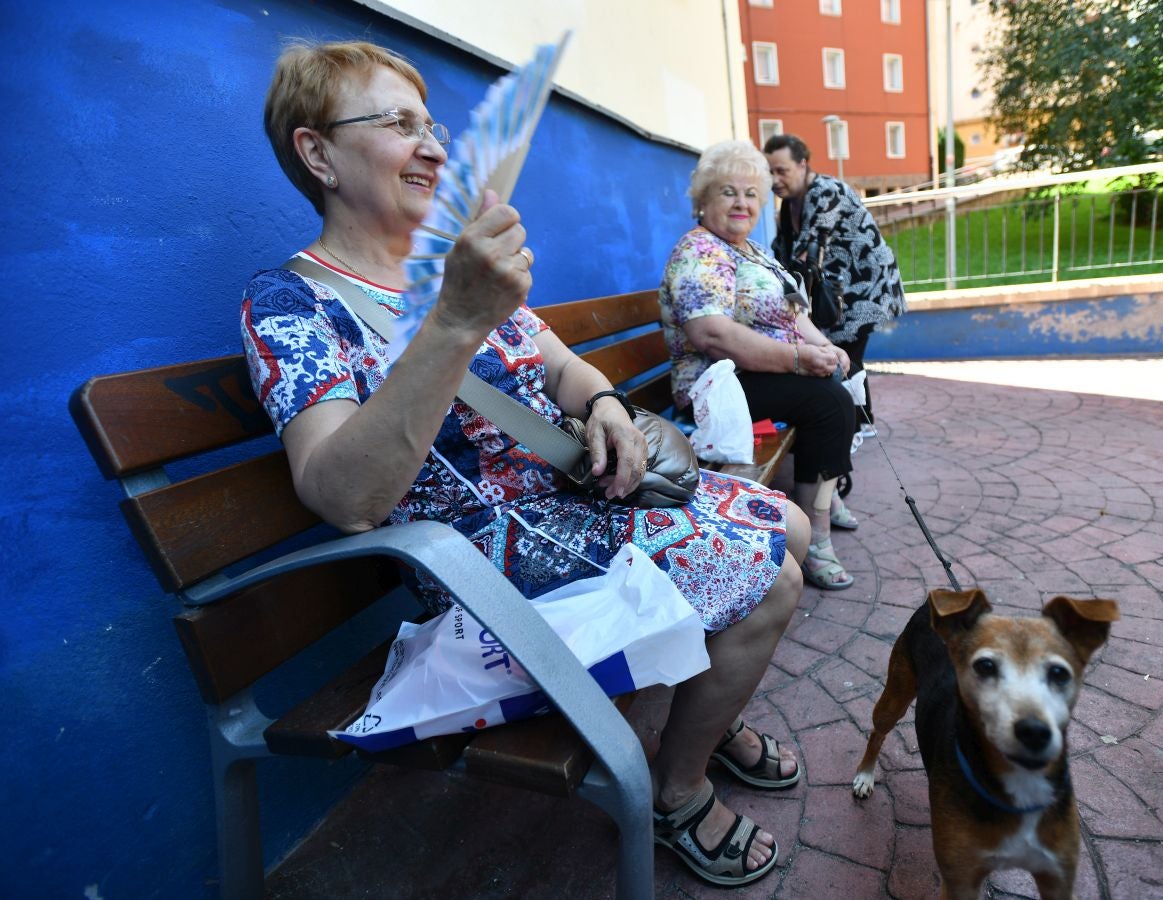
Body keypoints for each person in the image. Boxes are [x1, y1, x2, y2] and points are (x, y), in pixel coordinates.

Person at [242, 41, 805, 887]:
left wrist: (606, 405)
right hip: (481, 559)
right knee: (779, 579)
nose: (434, 146)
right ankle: (676, 793)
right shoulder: (291, 302)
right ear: (317, 152)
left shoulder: (450, 269)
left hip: (575, 498)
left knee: (791, 521)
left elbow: (561, 367)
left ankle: (707, 714)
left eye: (432, 123)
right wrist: (456, 321)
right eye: (399, 124)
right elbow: (344, 496)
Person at [659, 139, 859, 592]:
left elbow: (793, 314)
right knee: (826, 402)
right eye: (728, 191)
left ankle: (823, 493)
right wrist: (796, 358)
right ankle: (815, 536)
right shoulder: (701, 251)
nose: (741, 202)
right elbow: (711, 334)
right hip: (713, 387)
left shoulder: (750, 250)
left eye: (751, 193)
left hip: (755, 375)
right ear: (704, 199)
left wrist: (825, 347)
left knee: (837, 386)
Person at [763, 133, 906, 450]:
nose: (774, 179)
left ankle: (851, 429)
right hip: (840, 291)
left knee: (846, 355)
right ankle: (862, 421)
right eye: (769, 171)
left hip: (866, 286)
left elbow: (806, 254)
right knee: (848, 355)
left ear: (802, 165)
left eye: (781, 170)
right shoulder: (790, 204)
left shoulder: (826, 192)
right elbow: (780, 252)